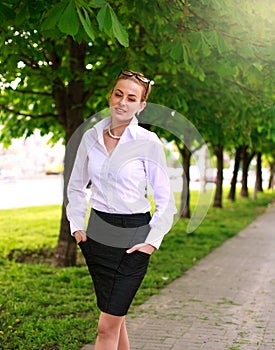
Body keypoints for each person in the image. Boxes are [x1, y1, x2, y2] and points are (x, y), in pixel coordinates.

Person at [66, 70, 177, 350]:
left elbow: (166, 201)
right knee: (116, 318)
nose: (122, 102)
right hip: (98, 234)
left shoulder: (147, 143)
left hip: (134, 238)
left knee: (106, 327)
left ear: (141, 105)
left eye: (131, 97)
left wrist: (150, 243)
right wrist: (77, 226)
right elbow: (76, 186)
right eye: (118, 94)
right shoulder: (90, 137)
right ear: (110, 96)